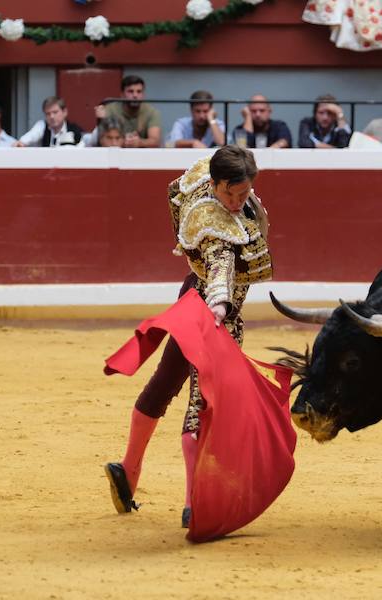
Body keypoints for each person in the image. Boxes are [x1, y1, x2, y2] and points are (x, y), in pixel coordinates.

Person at [104, 145, 272, 529]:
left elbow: (181, 183)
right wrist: (217, 308)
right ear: (215, 185)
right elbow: (220, 270)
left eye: (244, 193)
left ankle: (128, 471)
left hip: (189, 298)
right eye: (231, 193)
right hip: (213, 315)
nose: (236, 201)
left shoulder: (204, 181)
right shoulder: (216, 229)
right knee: (203, 402)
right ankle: (193, 501)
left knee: (165, 381)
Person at [94, 75, 161, 148]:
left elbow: (155, 141)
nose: (135, 95)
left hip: (142, 156)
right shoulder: (110, 109)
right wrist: (101, 120)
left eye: (139, 92)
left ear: (143, 94)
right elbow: (102, 140)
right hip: (115, 154)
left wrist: (139, 143)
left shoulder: (151, 112)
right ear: (122, 94)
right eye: (130, 91)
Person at [16, 96, 85, 147]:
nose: (51, 117)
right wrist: (21, 143)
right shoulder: (42, 126)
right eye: (48, 114)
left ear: (64, 112)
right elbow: (27, 138)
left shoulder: (75, 130)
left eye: (55, 112)